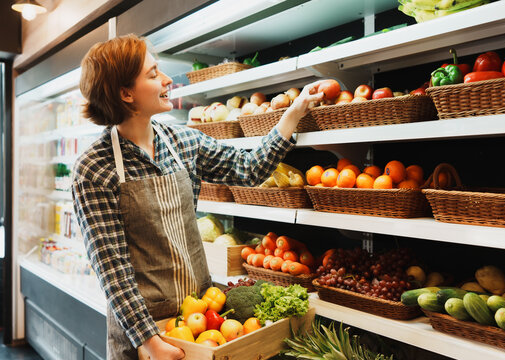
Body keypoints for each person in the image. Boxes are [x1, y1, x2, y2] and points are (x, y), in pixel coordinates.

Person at [72, 33, 324, 360]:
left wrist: (293, 113)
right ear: (126, 93)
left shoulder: (185, 143)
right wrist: (150, 341)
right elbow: (112, 270)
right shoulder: (94, 168)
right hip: (144, 332)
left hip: (205, 317)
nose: (166, 80)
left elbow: (248, 169)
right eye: (152, 75)